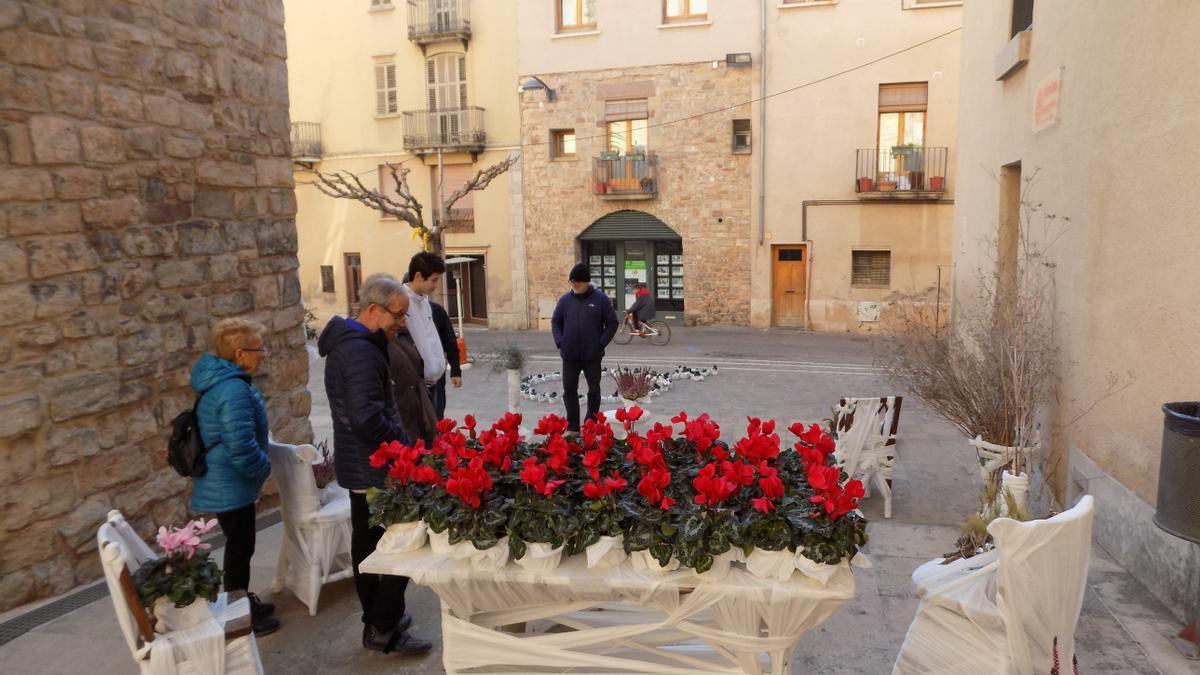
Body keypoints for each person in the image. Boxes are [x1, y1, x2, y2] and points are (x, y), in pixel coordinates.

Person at [318, 273, 431, 656]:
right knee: (403, 543)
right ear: (371, 309)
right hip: (376, 468)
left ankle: (378, 622)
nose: (401, 324)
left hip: (360, 466)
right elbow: (367, 418)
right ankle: (383, 626)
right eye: (397, 316)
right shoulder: (361, 351)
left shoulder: (353, 344)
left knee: (367, 546)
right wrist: (405, 448)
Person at [189, 318, 279, 636]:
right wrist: (262, 469)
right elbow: (239, 444)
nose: (263, 354)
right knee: (240, 549)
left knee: (240, 546)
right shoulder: (232, 390)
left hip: (227, 481)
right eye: (258, 349)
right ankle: (237, 617)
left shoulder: (225, 382)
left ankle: (240, 603)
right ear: (240, 354)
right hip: (230, 483)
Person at [551, 262, 618, 433]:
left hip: (592, 355)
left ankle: (591, 423)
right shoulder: (565, 300)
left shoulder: (600, 299)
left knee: (594, 389)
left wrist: (600, 343)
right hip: (570, 354)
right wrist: (560, 341)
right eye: (571, 282)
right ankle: (573, 426)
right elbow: (556, 322)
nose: (574, 285)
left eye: (577, 282)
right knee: (569, 390)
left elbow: (612, 323)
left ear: (586, 282)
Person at [401, 253, 454, 414]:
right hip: (415, 387)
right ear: (418, 276)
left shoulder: (424, 303)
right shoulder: (401, 303)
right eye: (434, 280)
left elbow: (431, 339)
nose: (436, 285)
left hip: (433, 383)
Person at [389, 318, 439, 446]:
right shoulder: (373, 344)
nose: (403, 319)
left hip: (417, 410)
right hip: (400, 418)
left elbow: (416, 372)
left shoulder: (402, 334)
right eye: (398, 314)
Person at [429, 300, 462, 420]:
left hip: (435, 373)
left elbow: (450, 341)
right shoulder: (400, 312)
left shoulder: (436, 310)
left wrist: (456, 370)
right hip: (409, 376)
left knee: (436, 413)